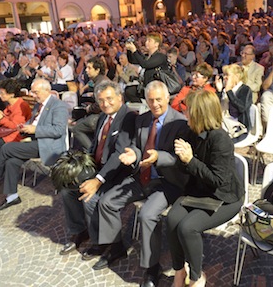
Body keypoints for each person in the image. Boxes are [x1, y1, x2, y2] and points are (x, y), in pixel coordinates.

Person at [93, 81, 190, 287]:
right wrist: (133, 155)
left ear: (167, 99)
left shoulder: (180, 123)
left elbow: (181, 160)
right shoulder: (142, 119)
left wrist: (158, 157)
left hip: (167, 181)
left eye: (158, 100)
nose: (155, 104)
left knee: (147, 215)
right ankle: (116, 246)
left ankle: (151, 268)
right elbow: (137, 147)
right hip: (141, 177)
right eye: (150, 100)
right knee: (107, 201)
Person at [167, 90, 245, 287]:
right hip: (198, 190)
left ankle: (196, 277)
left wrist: (190, 160)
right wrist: (181, 158)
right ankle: (179, 271)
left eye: (189, 112)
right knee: (172, 220)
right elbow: (183, 168)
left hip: (224, 196)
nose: (186, 115)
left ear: (200, 115)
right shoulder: (189, 132)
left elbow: (219, 180)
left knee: (188, 228)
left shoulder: (220, 139)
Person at [59, 81, 137, 258]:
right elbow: (95, 146)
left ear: (120, 97)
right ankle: (80, 229)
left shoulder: (128, 117)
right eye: (101, 100)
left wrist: (97, 180)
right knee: (67, 190)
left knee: (90, 197)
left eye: (109, 99)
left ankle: (101, 242)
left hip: (118, 174)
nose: (105, 104)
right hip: (99, 168)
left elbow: (119, 154)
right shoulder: (103, 116)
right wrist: (81, 166)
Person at [0, 78, 68, 212]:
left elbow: (59, 130)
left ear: (47, 90)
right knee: (12, 161)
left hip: (48, 145)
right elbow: (32, 123)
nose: (33, 95)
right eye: (33, 92)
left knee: (7, 148)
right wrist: (25, 128)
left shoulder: (58, 105)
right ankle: (12, 196)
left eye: (36, 92)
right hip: (32, 140)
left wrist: (35, 130)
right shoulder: (38, 105)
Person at [215, 64, 252, 143]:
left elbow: (241, 108)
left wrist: (229, 92)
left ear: (237, 76)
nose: (225, 78)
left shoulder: (245, 89)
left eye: (227, 75)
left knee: (219, 142)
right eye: (224, 75)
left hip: (238, 127)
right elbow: (214, 106)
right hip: (222, 124)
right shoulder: (223, 90)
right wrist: (219, 91)